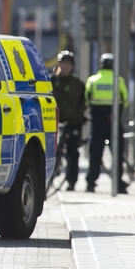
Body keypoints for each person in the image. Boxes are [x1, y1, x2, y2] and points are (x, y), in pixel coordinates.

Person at [84, 53, 129, 194]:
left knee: (95, 153)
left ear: (101, 64)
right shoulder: (118, 81)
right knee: (117, 153)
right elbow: (125, 101)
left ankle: (91, 184)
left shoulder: (92, 80)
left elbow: (87, 100)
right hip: (113, 122)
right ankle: (118, 184)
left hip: (97, 122)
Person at [50, 50, 86, 191]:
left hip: (73, 122)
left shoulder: (77, 83)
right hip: (54, 122)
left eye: (69, 64)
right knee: (53, 151)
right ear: (59, 64)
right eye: (63, 64)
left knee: (72, 152)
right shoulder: (51, 81)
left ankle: (72, 181)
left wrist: (78, 114)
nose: (66, 67)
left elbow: (84, 101)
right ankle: (50, 177)